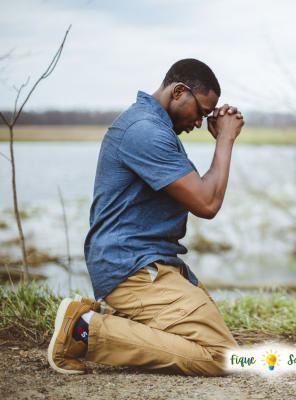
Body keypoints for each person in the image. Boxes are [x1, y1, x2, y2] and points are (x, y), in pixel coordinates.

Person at [47, 59, 244, 376]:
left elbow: (206, 193)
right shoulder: (145, 132)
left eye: (207, 116)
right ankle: (82, 330)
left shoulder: (157, 129)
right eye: (201, 112)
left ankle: (106, 320)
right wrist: (225, 139)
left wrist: (223, 138)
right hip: (132, 266)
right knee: (221, 356)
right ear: (179, 91)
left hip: (148, 263)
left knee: (207, 342)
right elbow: (207, 203)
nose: (199, 123)